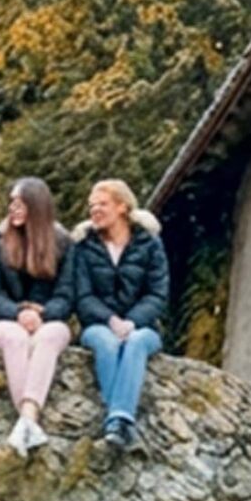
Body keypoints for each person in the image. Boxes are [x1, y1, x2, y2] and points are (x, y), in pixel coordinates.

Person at [70, 177, 170, 448]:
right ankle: (122, 422)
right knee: (106, 342)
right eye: (91, 206)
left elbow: (157, 294)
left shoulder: (150, 245)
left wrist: (132, 321)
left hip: (144, 327)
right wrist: (111, 320)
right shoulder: (82, 247)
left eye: (102, 204)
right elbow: (83, 296)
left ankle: (117, 420)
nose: (94, 211)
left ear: (122, 207)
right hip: (98, 325)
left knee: (136, 342)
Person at [0, 177, 73, 456]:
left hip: (50, 320)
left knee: (49, 337)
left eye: (19, 203)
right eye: (11, 203)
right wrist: (17, 312)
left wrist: (42, 314)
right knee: (15, 338)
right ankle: (29, 422)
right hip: (8, 320)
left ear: (36, 206)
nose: (13, 208)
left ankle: (26, 419)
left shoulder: (63, 244)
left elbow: (68, 294)